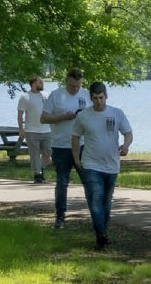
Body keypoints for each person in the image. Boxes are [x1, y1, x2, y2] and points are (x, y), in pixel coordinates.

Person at [70, 81, 132, 250]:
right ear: (91, 98)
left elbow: (128, 132)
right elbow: (75, 137)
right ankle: (101, 234)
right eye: (96, 98)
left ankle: (101, 228)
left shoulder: (116, 113)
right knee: (95, 198)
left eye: (101, 97)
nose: (99, 101)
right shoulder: (83, 115)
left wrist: (126, 145)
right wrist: (77, 158)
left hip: (111, 164)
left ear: (106, 96)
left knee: (106, 201)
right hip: (91, 164)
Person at [41, 67, 90, 228]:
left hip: (82, 146)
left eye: (77, 86)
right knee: (62, 182)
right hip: (61, 146)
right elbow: (44, 118)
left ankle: (95, 214)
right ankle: (60, 217)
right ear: (66, 81)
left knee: (88, 181)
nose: (75, 89)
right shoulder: (56, 95)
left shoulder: (86, 95)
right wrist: (63, 116)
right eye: (71, 86)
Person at [16, 75, 51, 183]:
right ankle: (38, 174)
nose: (42, 84)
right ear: (34, 83)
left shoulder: (46, 96)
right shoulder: (25, 97)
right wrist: (21, 129)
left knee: (48, 151)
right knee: (34, 154)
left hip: (47, 130)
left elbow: (52, 111)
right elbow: (20, 114)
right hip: (31, 130)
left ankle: (40, 168)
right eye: (40, 82)